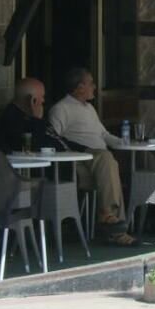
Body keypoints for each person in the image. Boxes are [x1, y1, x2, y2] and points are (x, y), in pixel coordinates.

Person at [46, 68, 138, 247]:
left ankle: (110, 219)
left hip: (99, 159)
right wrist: (79, 150)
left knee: (114, 161)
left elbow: (103, 134)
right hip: (80, 160)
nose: (95, 87)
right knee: (107, 160)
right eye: (91, 83)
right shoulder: (60, 108)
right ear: (80, 87)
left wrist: (127, 143)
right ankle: (115, 226)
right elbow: (54, 139)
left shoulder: (89, 108)